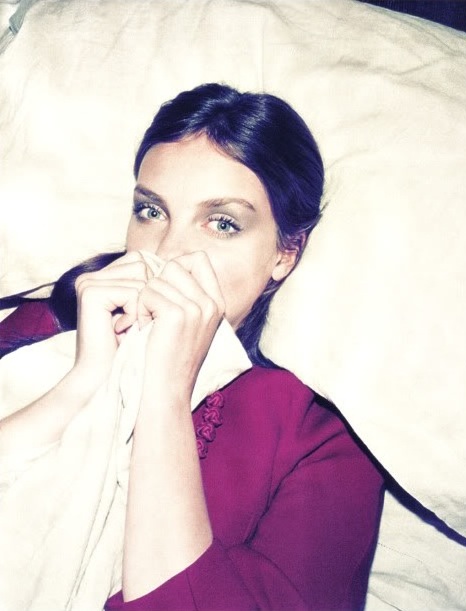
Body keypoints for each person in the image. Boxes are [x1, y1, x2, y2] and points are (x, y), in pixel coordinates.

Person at [0, 83, 384, 610]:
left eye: (222, 223)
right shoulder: (46, 322)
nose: (170, 250)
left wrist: (165, 393)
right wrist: (85, 379)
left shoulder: (315, 432)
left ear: (285, 253)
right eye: (151, 212)